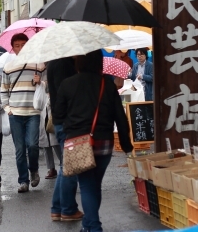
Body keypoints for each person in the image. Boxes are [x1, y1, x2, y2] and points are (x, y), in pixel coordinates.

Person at [53, 50, 133, 232]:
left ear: (78, 63)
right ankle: (88, 225)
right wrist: (126, 144)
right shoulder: (107, 84)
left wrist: (68, 131)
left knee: (88, 186)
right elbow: (120, 117)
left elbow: (58, 116)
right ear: (99, 62)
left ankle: (94, 226)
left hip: (79, 143)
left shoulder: (68, 84)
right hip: (104, 143)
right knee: (94, 185)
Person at [1, 33, 43, 193]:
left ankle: (34, 170)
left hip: (33, 112)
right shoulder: (8, 67)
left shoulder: (39, 65)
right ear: (13, 48)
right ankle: (23, 181)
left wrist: (41, 81)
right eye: (17, 45)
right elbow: (4, 90)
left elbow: (45, 87)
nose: (20, 48)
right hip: (15, 114)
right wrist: (8, 109)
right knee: (19, 149)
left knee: (32, 145)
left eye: (23, 44)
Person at [47, 56, 82, 222]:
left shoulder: (56, 62)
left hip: (62, 120)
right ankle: (67, 209)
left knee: (66, 166)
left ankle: (58, 208)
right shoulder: (63, 63)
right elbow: (68, 93)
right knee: (70, 166)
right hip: (68, 121)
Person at [39, 91, 60, 180]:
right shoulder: (39, 86)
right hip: (42, 118)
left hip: (53, 118)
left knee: (56, 144)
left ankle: (65, 164)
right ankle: (51, 168)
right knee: (45, 145)